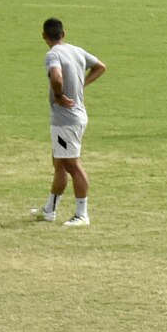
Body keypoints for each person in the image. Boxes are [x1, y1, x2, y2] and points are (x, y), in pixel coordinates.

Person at [30, 18, 105, 227]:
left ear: (44, 36)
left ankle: (82, 214)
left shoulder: (52, 54)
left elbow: (56, 77)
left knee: (72, 164)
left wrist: (59, 95)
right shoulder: (77, 50)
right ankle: (49, 210)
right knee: (59, 163)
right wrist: (82, 86)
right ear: (63, 34)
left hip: (66, 120)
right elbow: (100, 66)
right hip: (75, 116)